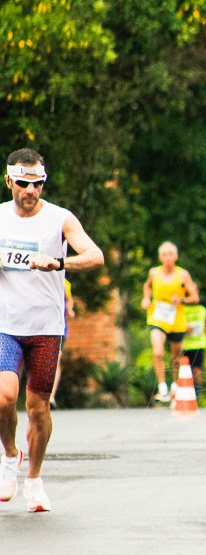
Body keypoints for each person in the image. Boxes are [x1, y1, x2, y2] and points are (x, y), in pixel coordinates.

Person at [0, 149, 104, 511]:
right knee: (3, 397)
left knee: (39, 409)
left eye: (38, 183)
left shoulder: (60, 218)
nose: (31, 190)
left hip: (45, 327)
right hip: (6, 325)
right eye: (24, 183)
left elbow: (95, 255)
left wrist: (59, 263)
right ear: (9, 180)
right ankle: (10, 455)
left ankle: (34, 479)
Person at [141, 242, 199, 403]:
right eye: (164, 254)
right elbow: (147, 286)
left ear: (176, 257)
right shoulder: (154, 273)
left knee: (176, 356)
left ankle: (175, 384)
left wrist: (181, 299)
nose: (167, 258)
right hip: (158, 317)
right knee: (158, 351)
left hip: (176, 318)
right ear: (160, 257)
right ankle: (162, 388)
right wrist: (146, 298)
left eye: (170, 254)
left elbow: (195, 298)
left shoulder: (183, 275)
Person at [50, 278, 75, 408]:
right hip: (37, 326)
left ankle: (51, 396)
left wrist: (70, 309)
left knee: (56, 359)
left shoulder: (65, 283)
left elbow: (69, 299)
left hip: (59, 328)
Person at [181, 298, 206, 392]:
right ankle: (182, 393)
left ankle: (196, 395)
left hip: (199, 344)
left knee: (197, 371)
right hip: (184, 345)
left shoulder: (203, 308)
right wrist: (184, 328)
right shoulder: (181, 308)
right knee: (183, 371)